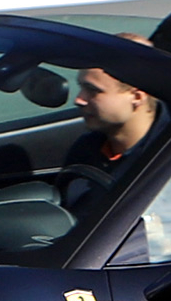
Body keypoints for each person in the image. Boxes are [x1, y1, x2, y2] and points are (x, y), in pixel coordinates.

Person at [57, 35, 165, 215]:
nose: (79, 100)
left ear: (137, 97)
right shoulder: (86, 149)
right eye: (81, 87)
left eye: (93, 90)